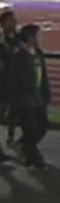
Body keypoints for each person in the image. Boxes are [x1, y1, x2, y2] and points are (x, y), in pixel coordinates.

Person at [8, 25, 50, 170]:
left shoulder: (38, 53)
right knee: (30, 129)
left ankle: (24, 145)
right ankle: (33, 160)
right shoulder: (19, 55)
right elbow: (14, 79)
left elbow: (43, 76)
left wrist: (46, 93)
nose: (41, 38)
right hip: (25, 98)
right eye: (38, 35)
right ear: (31, 37)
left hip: (38, 96)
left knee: (42, 126)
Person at [0, 10, 18, 158]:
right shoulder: (1, 41)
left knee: (16, 111)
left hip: (17, 82)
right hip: (4, 83)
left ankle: (11, 138)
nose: (14, 23)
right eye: (11, 20)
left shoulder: (19, 39)